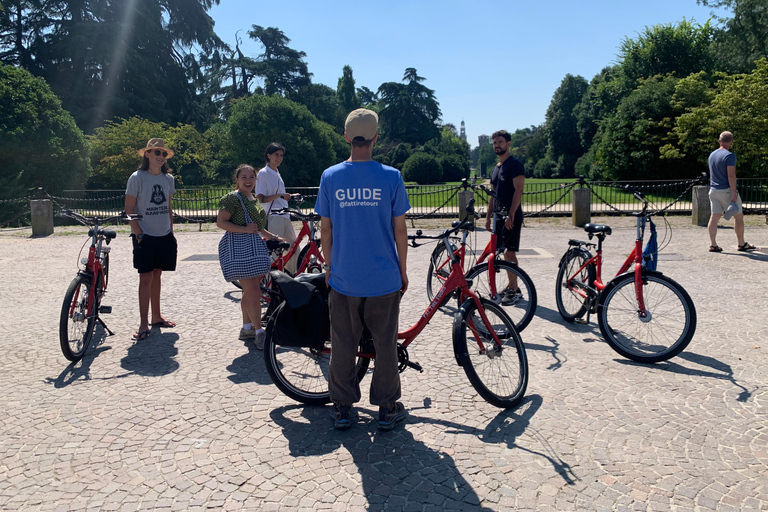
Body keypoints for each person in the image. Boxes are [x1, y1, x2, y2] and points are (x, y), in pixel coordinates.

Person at [315, 108, 410, 431]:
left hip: (344, 276)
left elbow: (325, 231)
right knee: (385, 344)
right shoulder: (391, 176)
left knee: (343, 341)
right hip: (383, 276)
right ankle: (386, 407)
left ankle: (342, 407)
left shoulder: (330, 177)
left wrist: (330, 266)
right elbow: (400, 230)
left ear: (346, 137)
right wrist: (403, 269)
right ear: (375, 138)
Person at [217, 164, 284, 349]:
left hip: (253, 248)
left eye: (251, 177)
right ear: (237, 179)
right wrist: (244, 230)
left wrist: (272, 237)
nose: (248, 181)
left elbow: (256, 227)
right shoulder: (232, 198)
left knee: (250, 291)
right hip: (240, 249)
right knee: (254, 291)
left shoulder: (252, 198)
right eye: (244, 177)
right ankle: (259, 332)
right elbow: (221, 222)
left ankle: (247, 328)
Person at [125, 138, 178, 341]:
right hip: (144, 234)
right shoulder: (137, 178)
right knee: (145, 277)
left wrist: (171, 232)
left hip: (164, 234)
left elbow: (168, 207)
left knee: (158, 275)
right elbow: (129, 210)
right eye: (157, 153)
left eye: (164, 154)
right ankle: (143, 322)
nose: (161, 157)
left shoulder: (168, 179)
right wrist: (138, 234)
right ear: (147, 154)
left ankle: (156, 316)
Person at [484, 130, 526, 302]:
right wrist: (488, 217)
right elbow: (493, 195)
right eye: (494, 143)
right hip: (498, 217)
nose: (497, 145)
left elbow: (519, 190)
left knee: (510, 253)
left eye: (500, 142)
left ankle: (515, 291)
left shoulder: (515, 165)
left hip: (511, 216)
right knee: (501, 253)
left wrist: (511, 214)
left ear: (508, 144)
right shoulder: (496, 168)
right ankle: (511, 286)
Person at [707, 131, 756, 253]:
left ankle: (713, 244)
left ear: (719, 141)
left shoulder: (712, 155)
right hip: (726, 190)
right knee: (738, 216)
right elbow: (731, 175)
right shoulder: (729, 156)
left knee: (714, 217)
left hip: (713, 190)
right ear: (731, 142)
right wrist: (734, 192)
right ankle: (741, 243)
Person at [255, 143, 300, 274]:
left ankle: (290, 277)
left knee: (293, 248)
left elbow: (280, 196)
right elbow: (260, 198)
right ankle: (269, 280)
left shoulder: (277, 173)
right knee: (275, 251)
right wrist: (280, 195)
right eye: (276, 155)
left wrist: (290, 196)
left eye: (281, 155)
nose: (279, 158)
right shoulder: (263, 174)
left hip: (284, 215)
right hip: (273, 216)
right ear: (268, 155)